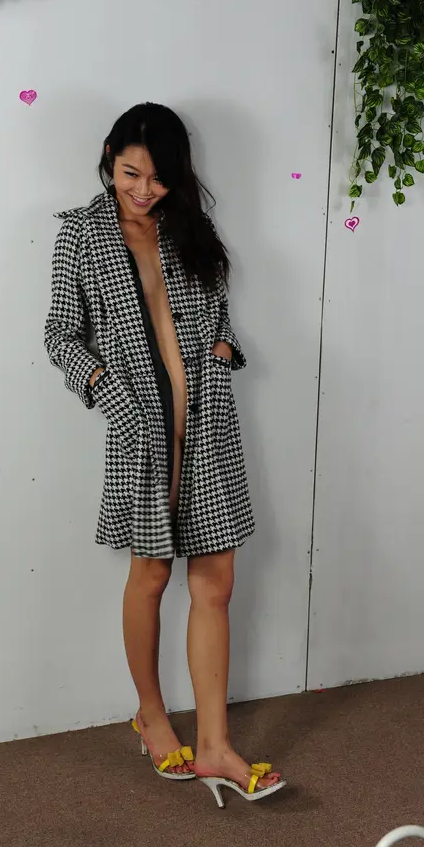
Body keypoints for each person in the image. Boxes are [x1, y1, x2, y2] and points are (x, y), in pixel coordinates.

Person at [44, 103, 285, 806]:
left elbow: (216, 305)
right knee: (150, 575)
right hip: (140, 428)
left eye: (157, 178)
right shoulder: (81, 234)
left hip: (208, 424)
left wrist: (223, 346)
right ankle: (150, 715)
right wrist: (108, 392)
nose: (144, 190)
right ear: (109, 156)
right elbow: (60, 334)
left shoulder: (188, 227)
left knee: (216, 583)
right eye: (131, 174)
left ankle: (214, 746)